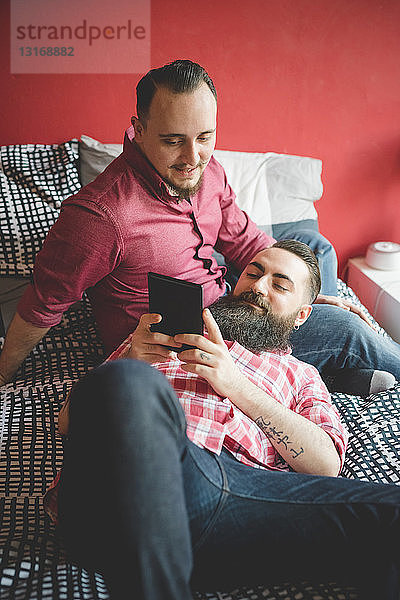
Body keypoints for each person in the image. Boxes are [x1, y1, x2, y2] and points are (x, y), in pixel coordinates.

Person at [0, 60, 399, 396]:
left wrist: (296, 289)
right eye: (173, 141)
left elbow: (245, 241)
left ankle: (318, 363)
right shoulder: (100, 217)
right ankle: (330, 360)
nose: (193, 158)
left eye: (204, 137)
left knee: (311, 246)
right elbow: (44, 302)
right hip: (184, 340)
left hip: (227, 296)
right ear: (139, 129)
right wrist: (3, 376)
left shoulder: (209, 173)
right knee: (346, 327)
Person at [48, 241, 400, 600]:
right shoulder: (155, 337)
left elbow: (325, 464)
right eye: (254, 273)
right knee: (127, 381)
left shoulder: (302, 375)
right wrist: (134, 360)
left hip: (234, 497)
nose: (259, 286)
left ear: (302, 315)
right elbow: (66, 423)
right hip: (111, 493)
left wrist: (234, 383)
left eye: (280, 284)